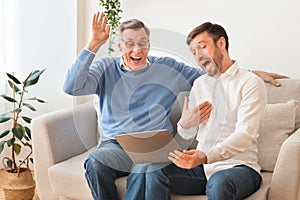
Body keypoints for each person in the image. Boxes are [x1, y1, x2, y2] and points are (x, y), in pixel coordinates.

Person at [63, 11, 287, 200]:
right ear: (120, 46)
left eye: (142, 44)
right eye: (129, 44)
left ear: (149, 45)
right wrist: (93, 44)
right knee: (96, 163)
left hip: (157, 144)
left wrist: (250, 73)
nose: (136, 50)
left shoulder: (170, 68)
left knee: (149, 167)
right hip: (117, 146)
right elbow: (72, 87)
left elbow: (218, 72)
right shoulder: (105, 68)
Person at [138, 22, 268, 200]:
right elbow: (187, 134)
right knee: (155, 168)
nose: (198, 56)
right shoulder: (199, 85)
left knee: (219, 182)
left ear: (221, 43)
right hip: (204, 169)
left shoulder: (250, 83)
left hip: (240, 168)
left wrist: (206, 156)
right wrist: (185, 124)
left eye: (202, 47)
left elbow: (246, 134)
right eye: (194, 52)